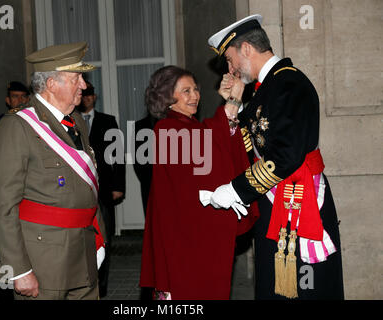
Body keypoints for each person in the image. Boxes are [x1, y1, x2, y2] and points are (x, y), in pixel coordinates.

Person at [204, 14, 344, 299]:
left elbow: (285, 156)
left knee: (305, 289)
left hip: (299, 200)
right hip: (276, 201)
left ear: (246, 49)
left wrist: (236, 190)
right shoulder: (266, 88)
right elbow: (255, 144)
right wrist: (235, 103)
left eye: (230, 60)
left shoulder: (288, 84)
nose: (229, 69)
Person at [0, 42, 107, 300]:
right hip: (44, 261)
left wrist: (100, 239)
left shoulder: (76, 123)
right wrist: (18, 270)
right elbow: (2, 204)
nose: (84, 86)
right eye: (77, 78)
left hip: (83, 252)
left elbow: (87, 187)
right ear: (52, 84)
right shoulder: (17, 127)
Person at [139, 65, 259, 300]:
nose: (194, 96)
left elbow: (211, 140)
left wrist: (229, 106)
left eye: (195, 89)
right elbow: (208, 145)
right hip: (182, 239)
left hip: (194, 234)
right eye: (185, 91)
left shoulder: (189, 125)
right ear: (167, 98)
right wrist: (232, 102)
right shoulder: (166, 128)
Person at [76, 81, 126, 298]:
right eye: (83, 94)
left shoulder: (108, 121)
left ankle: (102, 287)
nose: (86, 98)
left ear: (95, 98)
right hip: (79, 189)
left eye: (90, 95)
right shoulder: (71, 121)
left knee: (103, 240)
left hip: (104, 190)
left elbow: (118, 155)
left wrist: (118, 186)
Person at [133, 113, 158, 215]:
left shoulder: (172, 123)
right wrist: (145, 178)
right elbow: (137, 158)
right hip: (148, 179)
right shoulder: (139, 125)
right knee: (150, 215)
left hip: (170, 180)